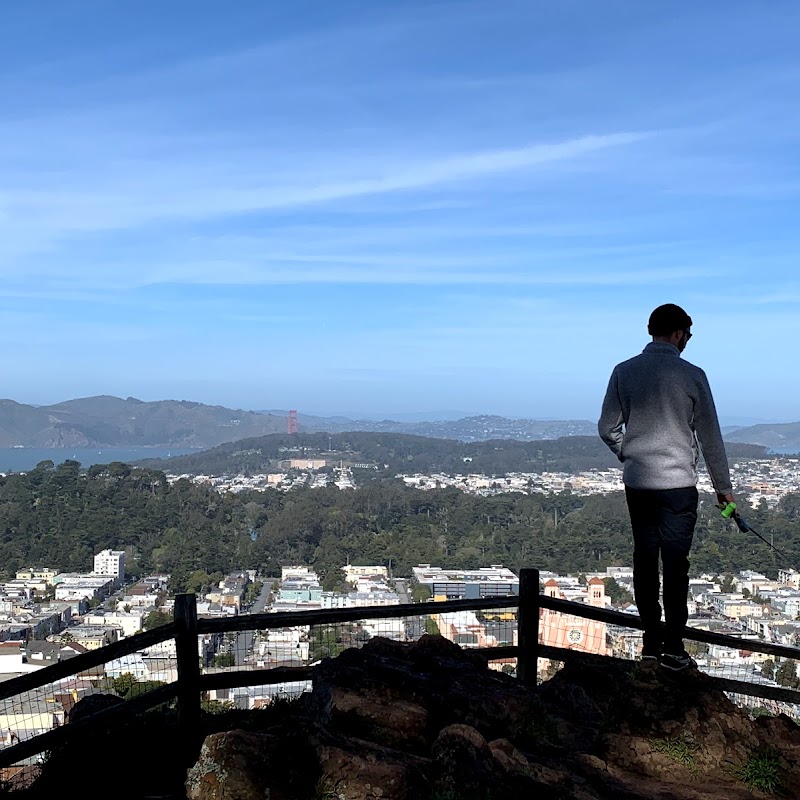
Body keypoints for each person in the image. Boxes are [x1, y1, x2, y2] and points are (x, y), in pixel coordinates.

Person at [598, 303, 735, 671]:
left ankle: (648, 643)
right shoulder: (692, 375)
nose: (687, 342)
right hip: (678, 485)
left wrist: (629, 452)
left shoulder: (624, 372)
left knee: (645, 559)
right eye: (687, 335)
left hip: (639, 483)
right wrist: (724, 488)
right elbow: (710, 437)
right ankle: (674, 647)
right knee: (676, 564)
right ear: (678, 334)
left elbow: (607, 427)